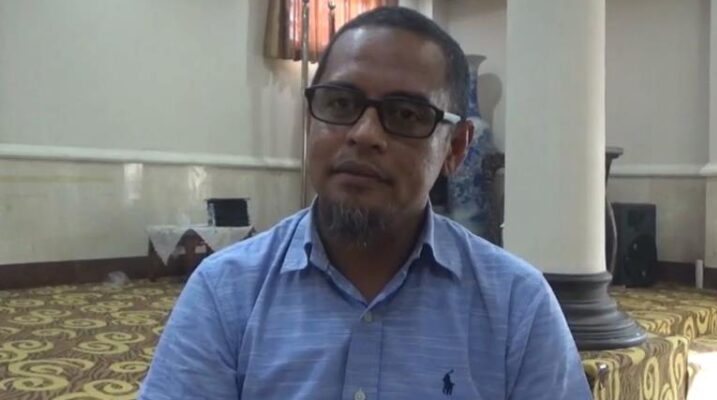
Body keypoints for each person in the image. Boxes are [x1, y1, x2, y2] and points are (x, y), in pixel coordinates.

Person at [139, 6, 591, 400]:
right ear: (309, 121)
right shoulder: (225, 292)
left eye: (405, 114)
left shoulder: (517, 306)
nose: (364, 134)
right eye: (340, 103)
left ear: (455, 147)